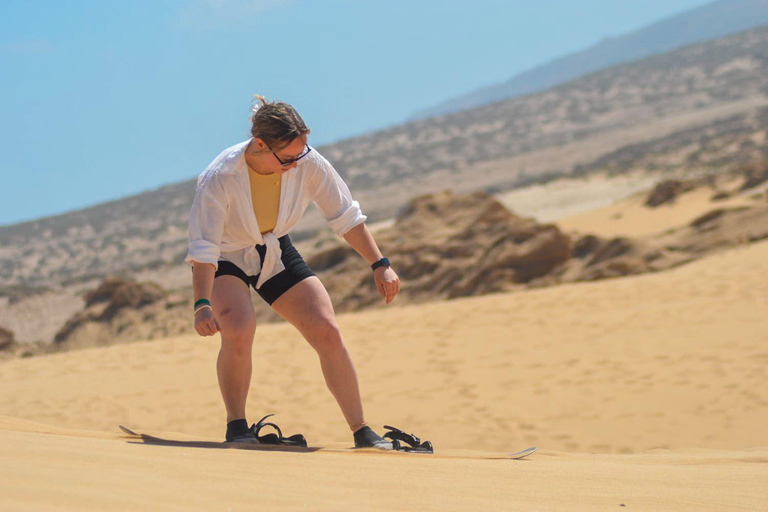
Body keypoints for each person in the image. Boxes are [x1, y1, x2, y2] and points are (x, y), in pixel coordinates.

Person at [185, 95, 399, 448]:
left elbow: (345, 216)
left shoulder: (307, 161)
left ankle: (363, 432)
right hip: (224, 255)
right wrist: (202, 304)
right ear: (259, 145)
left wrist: (380, 264)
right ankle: (237, 429)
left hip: (273, 247)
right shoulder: (220, 176)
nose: (296, 163)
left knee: (327, 329)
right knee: (238, 327)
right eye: (287, 158)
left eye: (302, 153)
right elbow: (204, 247)